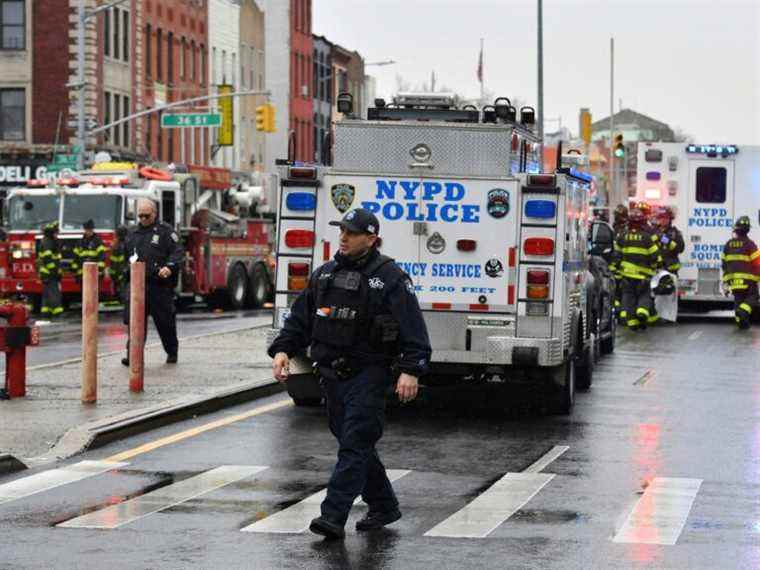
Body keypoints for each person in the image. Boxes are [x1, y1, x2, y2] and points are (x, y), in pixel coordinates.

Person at [268, 207, 432, 540]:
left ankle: (332, 516)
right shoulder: (325, 275)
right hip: (330, 377)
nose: (342, 237)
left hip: (369, 375)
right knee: (355, 444)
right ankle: (384, 505)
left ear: (371, 239)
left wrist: (410, 370)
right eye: (341, 230)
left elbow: (415, 333)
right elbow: (300, 319)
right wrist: (283, 349)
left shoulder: (391, 279)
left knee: (355, 443)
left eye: (351, 233)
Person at [121, 199, 183, 365]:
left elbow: (177, 252)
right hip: (137, 285)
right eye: (140, 216)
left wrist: (169, 267)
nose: (142, 219)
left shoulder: (165, 231)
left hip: (159, 286)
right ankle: (133, 355)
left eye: (146, 216)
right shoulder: (132, 233)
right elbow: (125, 256)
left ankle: (171, 352)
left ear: (154, 214)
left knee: (165, 323)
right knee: (135, 323)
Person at [614, 206, 662, 330]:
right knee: (644, 296)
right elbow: (656, 256)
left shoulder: (622, 236)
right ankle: (642, 313)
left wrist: (617, 270)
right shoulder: (647, 238)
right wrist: (655, 267)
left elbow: (617, 255)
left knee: (629, 298)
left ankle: (632, 323)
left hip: (626, 276)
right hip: (643, 276)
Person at [721, 216, 759, 329]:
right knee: (753, 297)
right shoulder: (750, 244)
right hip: (749, 282)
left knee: (738, 301)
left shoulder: (728, 244)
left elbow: (724, 264)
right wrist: (757, 278)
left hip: (734, 283)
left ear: (736, 229)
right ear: (748, 230)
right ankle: (743, 312)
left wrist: (727, 281)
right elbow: (758, 263)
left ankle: (742, 323)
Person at [36, 222, 64, 317]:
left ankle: (45, 312)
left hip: (46, 272)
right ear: (51, 233)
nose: (57, 235)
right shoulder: (48, 242)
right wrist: (55, 271)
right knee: (54, 293)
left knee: (47, 293)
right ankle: (57, 312)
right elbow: (48, 259)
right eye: (56, 233)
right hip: (50, 273)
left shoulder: (47, 241)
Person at [654, 206, 685, 275]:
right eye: (661, 217)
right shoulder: (653, 231)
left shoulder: (675, 233)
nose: (663, 220)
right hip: (655, 268)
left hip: (670, 269)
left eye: (665, 218)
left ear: (670, 219)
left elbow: (680, 249)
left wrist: (664, 239)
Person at [610, 204, 628, 323]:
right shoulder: (614, 227)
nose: (617, 218)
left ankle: (622, 314)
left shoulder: (626, 229)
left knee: (622, 291)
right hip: (615, 264)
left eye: (618, 216)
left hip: (623, 264)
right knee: (615, 289)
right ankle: (617, 312)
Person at [109, 225, 129, 304]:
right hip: (124, 274)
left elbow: (113, 263)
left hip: (120, 275)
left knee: (123, 294)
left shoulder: (116, 246)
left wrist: (113, 277)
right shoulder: (129, 244)